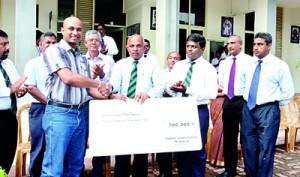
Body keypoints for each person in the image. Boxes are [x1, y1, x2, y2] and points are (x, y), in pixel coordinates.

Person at [41, 17, 112, 176]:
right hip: (59, 114)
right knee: (54, 168)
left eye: (79, 29)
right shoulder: (54, 50)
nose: (75, 32)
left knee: (75, 165)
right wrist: (99, 84)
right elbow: (68, 77)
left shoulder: (81, 57)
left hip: (80, 114)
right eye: (71, 29)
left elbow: (87, 89)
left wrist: (112, 96)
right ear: (62, 30)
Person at [109, 34, 164, 177]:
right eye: (132, 46)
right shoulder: (120, 64)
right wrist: (112, 94)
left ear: (144, 47)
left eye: (139, 46)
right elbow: (114, 85)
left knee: (141, 157)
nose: (135, 49)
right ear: (127, 47)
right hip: (123, 114)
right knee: (122, 156)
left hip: (143, 114)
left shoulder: (152, 64)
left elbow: (159, 86)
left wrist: (148, 94)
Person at [241, 32, 294, 177]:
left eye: (260, 44)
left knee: (266, 149)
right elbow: (243, 84)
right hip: (248, 109)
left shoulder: (279, 66)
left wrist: (272, 103)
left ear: (269, 46)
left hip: (268, 110)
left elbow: (288, 92)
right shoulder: (249, 64)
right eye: (254, 44)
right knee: (248, 147)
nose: (255, 48)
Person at [167, 33, 218, 177]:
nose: (190, 49)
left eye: (194, 47)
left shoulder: (208, 69)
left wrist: (187, 89)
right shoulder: (179, 66)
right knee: (181, 148)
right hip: (180, 110)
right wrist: (173, 87)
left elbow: (212, 93)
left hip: (198, 110)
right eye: (188, 46)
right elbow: (169, 86)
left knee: (197, 148)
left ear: (202, 49)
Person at [217, 35, 253, 177]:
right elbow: (222, 84)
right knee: (229, 138)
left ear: (241, 44)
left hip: (244, 102)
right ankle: (229, 170)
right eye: (228, 43)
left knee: (247, 138)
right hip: (229, 102)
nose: (230, 46)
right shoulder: (224, 63)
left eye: (233, 43)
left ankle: (250, 170)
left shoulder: (250, 61)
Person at [23, 32, 57, 177]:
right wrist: (48, 102)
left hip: (58, 108)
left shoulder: (59, 63)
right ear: (40, 44)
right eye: (48, 42)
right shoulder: (33, 63)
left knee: (55, 145)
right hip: (40, 108)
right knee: (39, 145)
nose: (51, 46)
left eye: (54, 43)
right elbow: (30, 87)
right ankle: (35, 174)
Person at [83, 30, 115, 177]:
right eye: (91, 40)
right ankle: (80, 169)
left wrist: (102, 75)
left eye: (97, 40)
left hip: (103, 104)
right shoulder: (80, 60)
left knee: (100, 139)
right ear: (85, 43)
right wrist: (93, 77)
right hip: (86, 104)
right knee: (82, 138)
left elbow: (114, 82)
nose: (94, 43)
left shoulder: (108, 60)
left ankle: (97, 172)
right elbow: (80, 82)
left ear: (101, 43)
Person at [0, 29, 27, 174]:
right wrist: (11, 90)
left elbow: (17, 85)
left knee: (7, 155)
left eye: (8, 43)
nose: (8, 47)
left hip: (10, 117)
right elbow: (11, 88)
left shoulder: (8, 64)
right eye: (3, 44)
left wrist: (20, 91)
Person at [156, 51, 181, 177]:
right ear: (167, 60)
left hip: (178, 108)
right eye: (170, 58)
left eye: (176, 58)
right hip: (163, 107)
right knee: (163, 140)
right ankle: (164, 172)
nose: (172, 60)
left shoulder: (182, 73)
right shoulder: (161, 73)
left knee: (178, 141)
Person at [209, 57, 225, 168]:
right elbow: (209, 91)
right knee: (215, 131)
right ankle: (212, 157)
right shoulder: (213, 77)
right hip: (214, 104)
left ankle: (221, 158)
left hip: (225, 105)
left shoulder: (230, 78)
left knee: (221, 131)